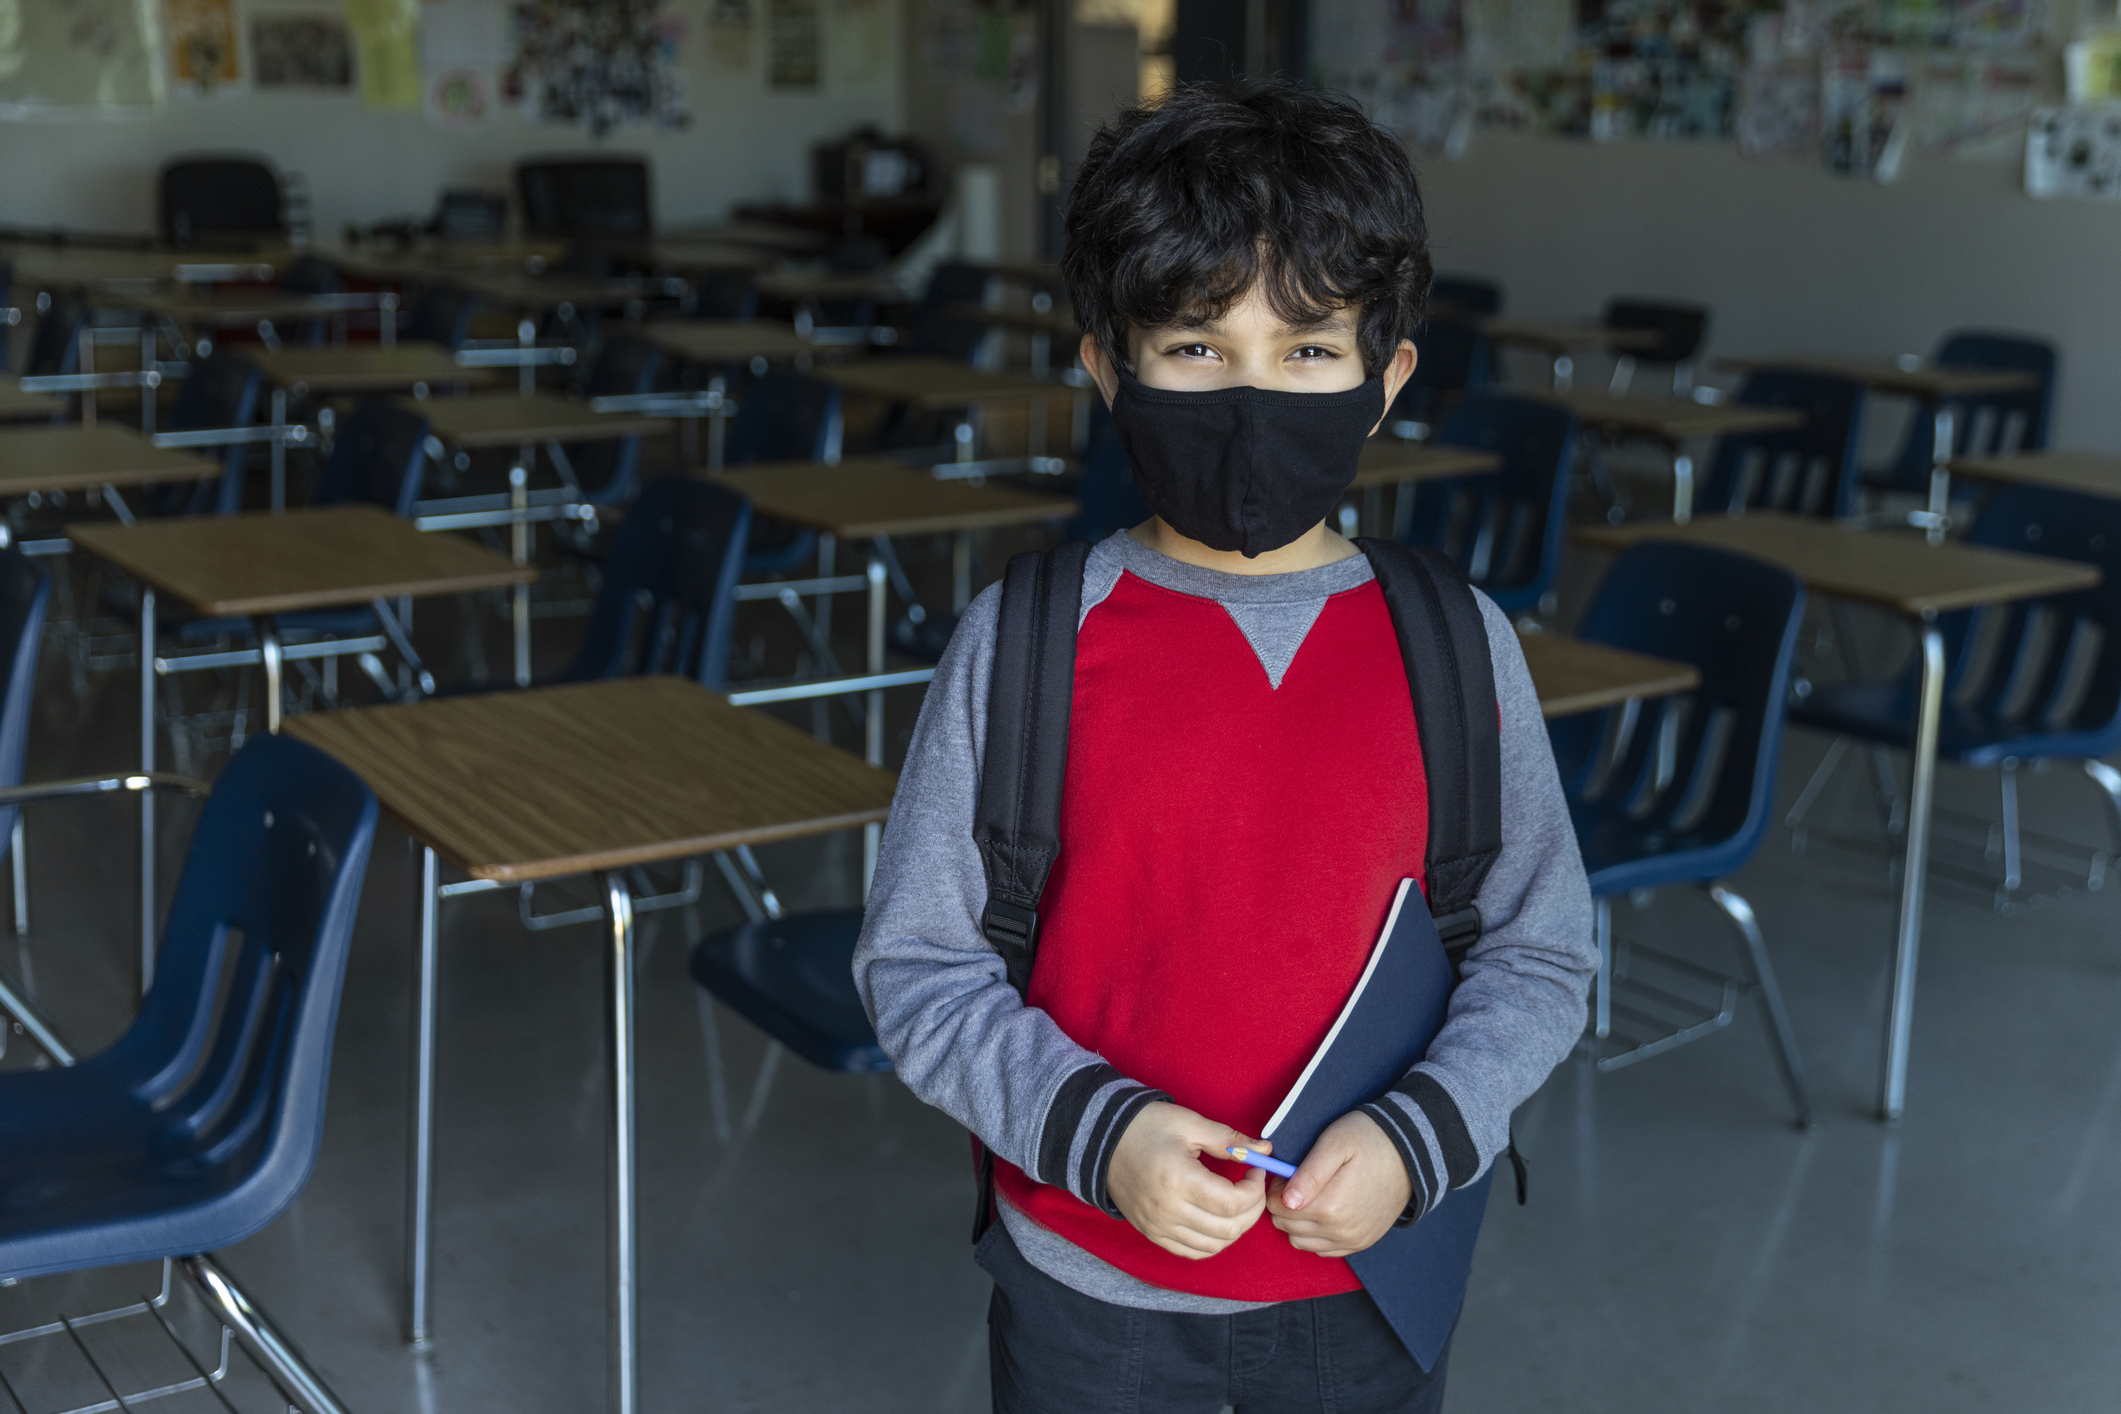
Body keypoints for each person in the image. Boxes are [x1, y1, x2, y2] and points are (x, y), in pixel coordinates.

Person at [855, 79, 1595, 1413]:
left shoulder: (1453, 641)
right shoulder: (1022, 639)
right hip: (1087, 1287)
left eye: (1308, 350)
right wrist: (1098, 1134)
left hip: (1366, 1282)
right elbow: (919, 963)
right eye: (1194, 348)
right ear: (1103, 366)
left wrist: (1420, 1137)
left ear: (1385, 379)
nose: (1252, 395)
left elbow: (1539, 948)